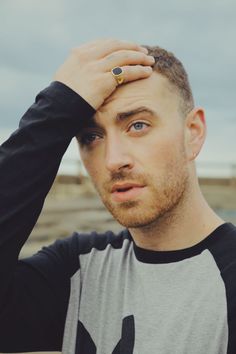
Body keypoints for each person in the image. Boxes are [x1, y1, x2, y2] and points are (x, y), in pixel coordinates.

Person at [0, 38, 235, 354]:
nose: (113, 160)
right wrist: (56, 107)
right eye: (91, 137)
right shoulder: (76, 271)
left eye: (138, 125)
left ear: (192, 133)